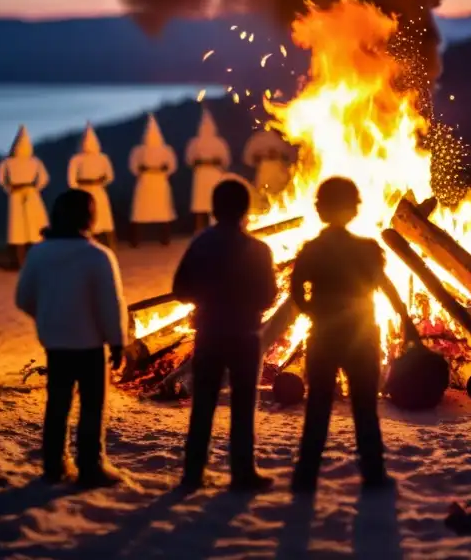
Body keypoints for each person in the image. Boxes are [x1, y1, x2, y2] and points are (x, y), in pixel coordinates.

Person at [289, 177, 416, 493]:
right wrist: (405, 318)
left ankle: (306, 476)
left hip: (324, 337)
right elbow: (386, 287)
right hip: (360, 339)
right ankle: (373, 474)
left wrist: (314, 312)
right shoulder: (366, 249)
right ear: (354, 209)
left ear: (320, 209)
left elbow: (296, 291)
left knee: (318, 405)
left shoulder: (312, 250)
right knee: (364, 408)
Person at [15, 189, 128, 487]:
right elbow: (111, 304)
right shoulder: (98, 255)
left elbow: (23, 297)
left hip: (56, 345)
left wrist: (49, 319)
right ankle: (91, 466)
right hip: (91, 346)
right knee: (92, 407)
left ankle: (54, 465)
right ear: (90, 218)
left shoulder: (38, 253)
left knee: (57, 404)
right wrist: (117, 342)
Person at [172, 178, 278, 491]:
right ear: (246, 210)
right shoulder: (258, 249)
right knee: (244, 404)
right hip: (245, 333)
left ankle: (193, 472)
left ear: (214, 209)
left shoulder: (200, 244)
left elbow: (180, 289)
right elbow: (269, 296)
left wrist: (205, 299)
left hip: (210, 331)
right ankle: (243, 472)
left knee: (203, 402)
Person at [0, 124, 50, 270]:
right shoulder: (30, 162)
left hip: (20, 194)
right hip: (28, 195)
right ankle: (23, 261)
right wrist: (33, 188)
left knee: (23, 229)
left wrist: (11, 189)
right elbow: (44, 179)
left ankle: (22, 262)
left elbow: (0, 179)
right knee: (21, 229)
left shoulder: (10, 162)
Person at [128, 114, 177, 246]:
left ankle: (164, 238)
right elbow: (133, 167)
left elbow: (172, 166)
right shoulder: (138, 150)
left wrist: (163, 170)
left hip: (160, 182)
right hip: (145, 183)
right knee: (140, 212)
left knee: (162, 211)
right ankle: (135, 240)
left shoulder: (166, 150)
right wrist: (142, 170)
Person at [67, 123, 116, 248]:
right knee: (86, 219)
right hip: (85, 191)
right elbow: (71, 179)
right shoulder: (76, 159)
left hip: (97, 190)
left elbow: (109, 175)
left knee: (103, 219)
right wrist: (77, 190)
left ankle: (108, 245)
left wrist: (100, 182)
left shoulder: (102, 158)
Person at [185, 107, 232, 232]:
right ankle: (199, 231)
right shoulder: (194, 142)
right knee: (200, 205)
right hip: (200, 174)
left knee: (214, 203)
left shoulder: (219, 142)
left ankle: (217, 230)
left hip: (214, 174)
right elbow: (189, 159)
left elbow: (225, 159)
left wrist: (216, 162)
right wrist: (198, 162)